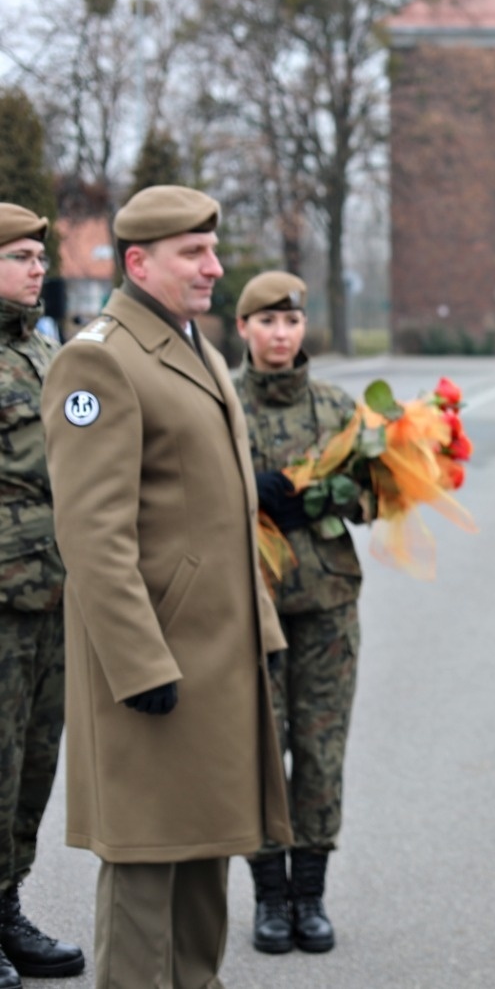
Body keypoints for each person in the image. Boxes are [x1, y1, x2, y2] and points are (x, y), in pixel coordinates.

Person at [41, 186, 293, 989]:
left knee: (205, 861)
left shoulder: (198, 349)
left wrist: (264, 633)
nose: (214, 268)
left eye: (213, 251)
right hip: (153, 666)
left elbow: (223, 518)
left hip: (216, 660)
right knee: (148, 868)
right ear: (138, 262)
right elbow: (93, 535)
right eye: (194, 253)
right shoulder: (100, 358)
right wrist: (139, 665)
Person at [232, 271, 366, 956]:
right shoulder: (219, 405)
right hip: (244, 611)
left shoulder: (338, 406)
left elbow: (376, 499)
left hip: (325, 608)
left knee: (318, 750)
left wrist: (331, 495)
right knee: (258, 749)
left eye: (291, 322)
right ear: (243, 329)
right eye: (267, 322)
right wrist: (244, 496)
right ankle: (268, 896)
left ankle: (309, 894)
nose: (281, 335)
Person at [0, 205, 84, 986]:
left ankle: (6, 907)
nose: (37, 269)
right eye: (21, 256)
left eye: (39, 257)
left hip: (52, 598)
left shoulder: (45, 354)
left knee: (32, 762)